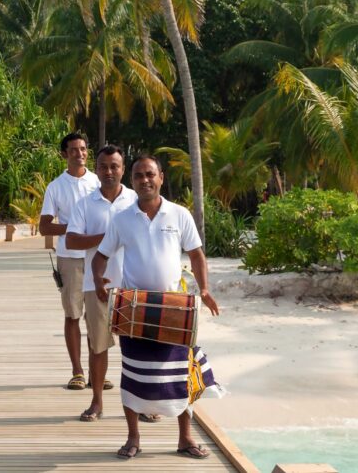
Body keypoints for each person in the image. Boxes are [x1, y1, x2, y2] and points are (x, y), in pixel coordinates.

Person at [93, 154, 226, 460]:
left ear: (161, 177)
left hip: (174, 307)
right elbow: (101, 256)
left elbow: (196, 255)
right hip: (133, 307)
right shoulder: (122, 219)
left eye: (150, 174)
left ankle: (184, 438)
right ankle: (133, 438)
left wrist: (204, 289)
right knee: (132, 373)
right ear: (133, 181)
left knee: (180, 374)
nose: (144, 180)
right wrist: (100, 283)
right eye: (139, 176)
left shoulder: (179, 215)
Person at [64, 145, 138, 422]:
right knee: (99, 347)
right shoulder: (85, 203)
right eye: (104, 167)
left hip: (134, 285)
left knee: (136, 348)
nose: (109, 172)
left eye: (114, 166)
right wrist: (108, 237)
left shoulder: (135, 200)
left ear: (123, 169)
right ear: (97, 170)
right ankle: (97, 402)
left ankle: (142, 404)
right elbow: (71, 240)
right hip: (96, 286)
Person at [39, 132, 100, 390]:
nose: (80, 154)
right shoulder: (56, 186)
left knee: (97, 316)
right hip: (70, 258)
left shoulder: (98, 182)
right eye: (74, 150)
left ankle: (99, 371)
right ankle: (77, 371)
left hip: (98, 256)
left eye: (83, 149)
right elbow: (44, 227)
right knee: (73, 314)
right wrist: (73, 230)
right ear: (64, 154)